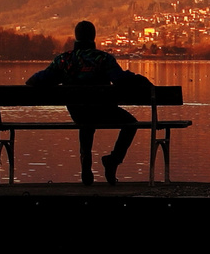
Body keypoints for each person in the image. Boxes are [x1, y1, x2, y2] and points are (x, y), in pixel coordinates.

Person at [27, 20, 140, 184]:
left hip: (78, 113)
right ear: (93, 36)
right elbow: (120, 80)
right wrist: (137, 79)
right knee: (131, 123)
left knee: (85, 119)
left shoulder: (64, 60)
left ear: (76, 36)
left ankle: (86, 167)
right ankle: (113, 160)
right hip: (103, 111)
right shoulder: (103, 58)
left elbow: (34, 81)